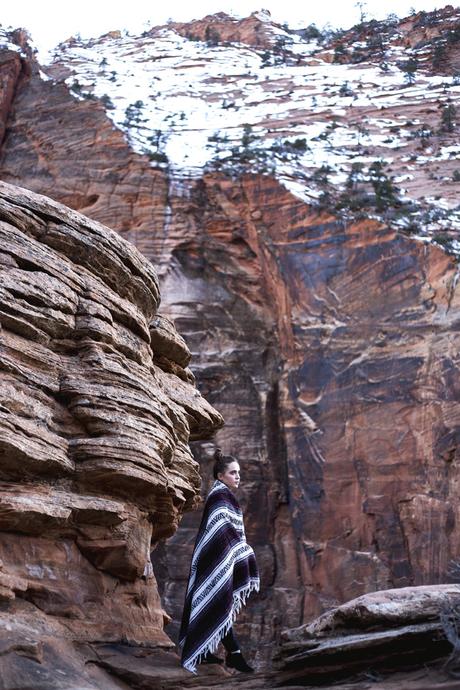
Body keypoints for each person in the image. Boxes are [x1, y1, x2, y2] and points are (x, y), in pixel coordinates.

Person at [179, 448, 260, 674]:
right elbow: (221, 530)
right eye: (233, 473)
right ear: (220, 476)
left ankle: (208, 653)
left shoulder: (225, 495)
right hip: (215, 559)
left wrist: (238, 550)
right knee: (218, 603)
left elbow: (227, 531)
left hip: (218, 559)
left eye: (238, 473)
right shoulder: (219, 496)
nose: (238, 477)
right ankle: (233, 655)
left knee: (217, 602)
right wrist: (240, 550)